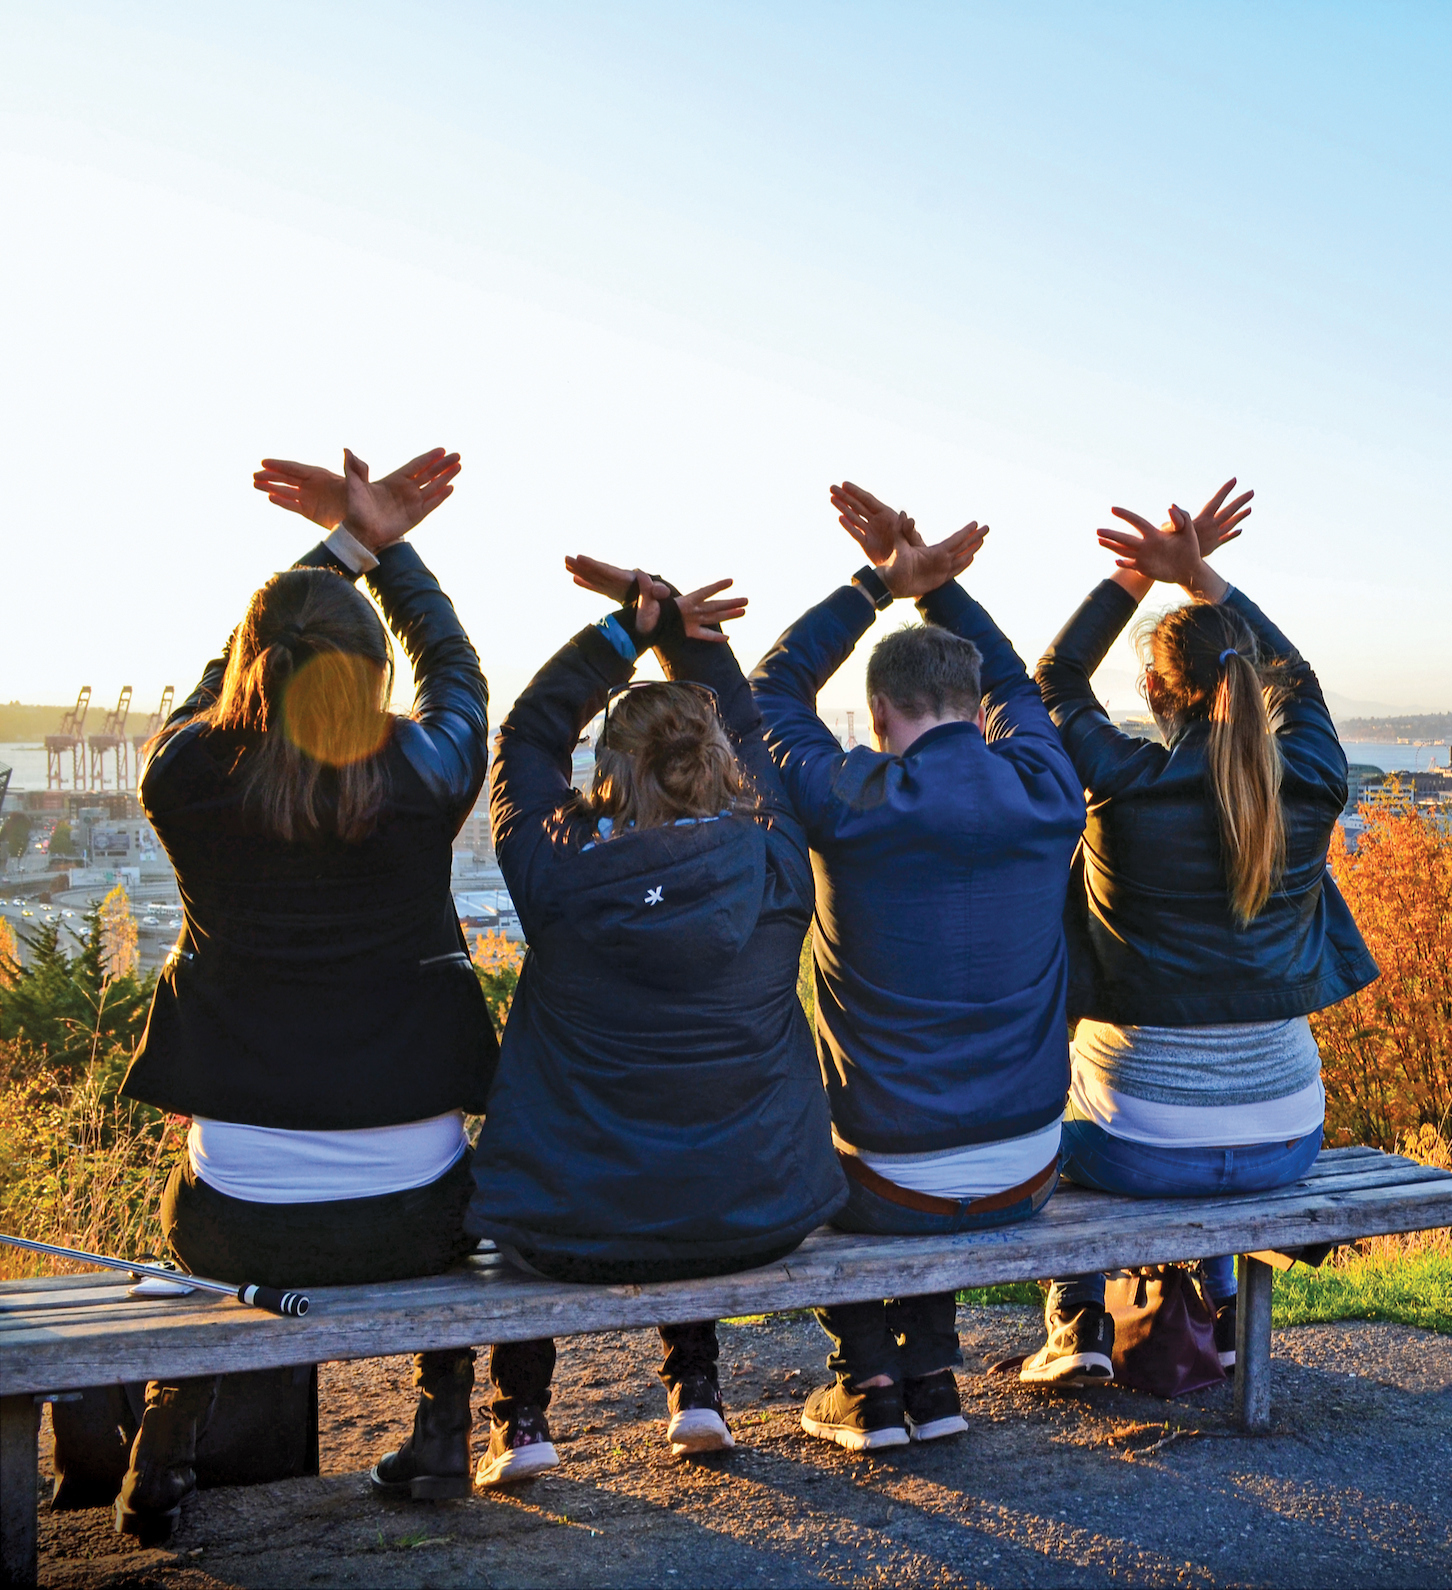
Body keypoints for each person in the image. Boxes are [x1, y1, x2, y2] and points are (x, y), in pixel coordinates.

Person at [115, 446, 515, 1540]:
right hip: (417, 1214)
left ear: (252, 663)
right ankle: (441, 1428)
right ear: (371, 675)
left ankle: (168, 1439)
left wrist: (342, 548)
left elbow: (214, 687)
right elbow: (462, 675)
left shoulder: (183, 779)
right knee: (464, 1195)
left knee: (191, 1243)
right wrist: (393, 554)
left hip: (234, 1222)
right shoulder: (424, 779)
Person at [463, 555, 849, 1484]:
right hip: (752, 1209)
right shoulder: (774, 866)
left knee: (592, 1140)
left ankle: (520, 1421)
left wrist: (625, 631)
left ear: (607, 772)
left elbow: (524, 735)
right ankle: (697, 1391)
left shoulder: (555, 872)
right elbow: (758, 741)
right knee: (694, 1123)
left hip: (570, 1226)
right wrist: (694, 649)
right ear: (714, 762)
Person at [750, 484, 1085, 1451]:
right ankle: (930, 1374)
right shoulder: (1046, 786)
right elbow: (1020, 683)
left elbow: (771, 691)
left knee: (829, 1146)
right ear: (975, 711)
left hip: (886, 1181)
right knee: (918, 1129)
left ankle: (867, 1378)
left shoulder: (850, 797)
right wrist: (937, 589)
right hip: (1028, 1162)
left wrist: (878, 585)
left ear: (881, 710)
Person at [1022, 479, 1378, 1385]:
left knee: (1055, 1102)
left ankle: (1078, 1327)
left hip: (1136, 1145)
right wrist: (1202, 578)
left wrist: (1138, 579)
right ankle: (1214, 1304)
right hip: (1287, 1133)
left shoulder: (1122, 784)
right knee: (1197, 1080)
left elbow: (1053, 682)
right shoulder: (1309, 780)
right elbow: (1300, 678)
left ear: (1150, 690)